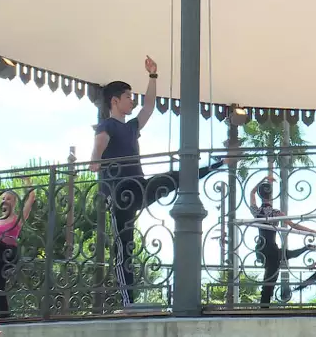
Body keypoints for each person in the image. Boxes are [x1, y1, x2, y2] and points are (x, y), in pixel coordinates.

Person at [89, 56, 224, 307]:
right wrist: (94, 159)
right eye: (128, 96)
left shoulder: (130, 127)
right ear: (115, 100)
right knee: (124, 245)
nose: (132, 100)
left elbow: (149, 107)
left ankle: (213, 166)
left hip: (137, 187)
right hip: (120, 193)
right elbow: (99, 145)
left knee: (173, 178)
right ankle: (128, 301)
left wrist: (153, 76)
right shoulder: (107, 125)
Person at [249, 176, 316, 307]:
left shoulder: (256, 211)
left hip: (261, 248)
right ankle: (263, 308)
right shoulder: (275, 212)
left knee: (284, 257)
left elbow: (251, 192)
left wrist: (263, 179)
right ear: (271, 195)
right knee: (271, 279)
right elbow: (294, 226)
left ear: (261, 195)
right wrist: (313, 232)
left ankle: (306, 248)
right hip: (272, 249)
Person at [0, 177, 36, 318]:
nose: (5, 200)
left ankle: (3, 313)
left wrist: (28, 182)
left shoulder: (18, 218)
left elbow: (31, 199)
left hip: (10, 252)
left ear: (15, 201)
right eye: (3, 198)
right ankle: (3, 313)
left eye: (9, 198)